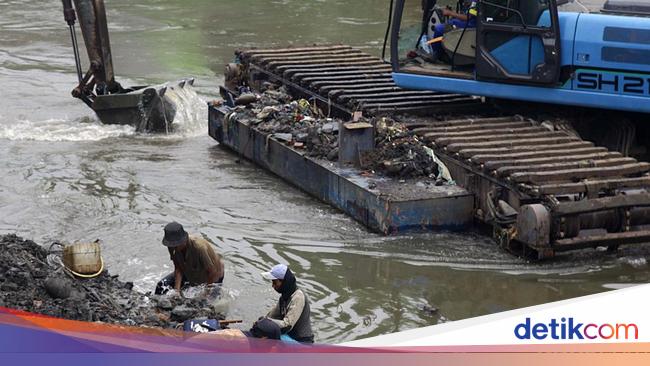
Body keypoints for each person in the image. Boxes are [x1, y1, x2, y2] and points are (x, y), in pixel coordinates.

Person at [154, 222, 224, 295]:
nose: (174, 247)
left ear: (184, 240)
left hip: (213, 275)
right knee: (161, 286)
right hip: (189, 270)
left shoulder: (199, 247)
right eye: (172, 245)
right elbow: (178, 268)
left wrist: (206, 293)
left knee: (204, 304)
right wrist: (176, 291)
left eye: (176, 244)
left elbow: (212, 272)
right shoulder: (172, 246)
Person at [257, 264, 314, 344]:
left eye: (275, 282)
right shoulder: (284, 297)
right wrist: (260, 323)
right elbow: (271, 316)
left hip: (302, 342)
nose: (273, 286)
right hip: (288, 337)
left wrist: (266, 321)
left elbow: (287, 326)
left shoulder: (298, 297)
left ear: (284, 282)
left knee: (267, 339)